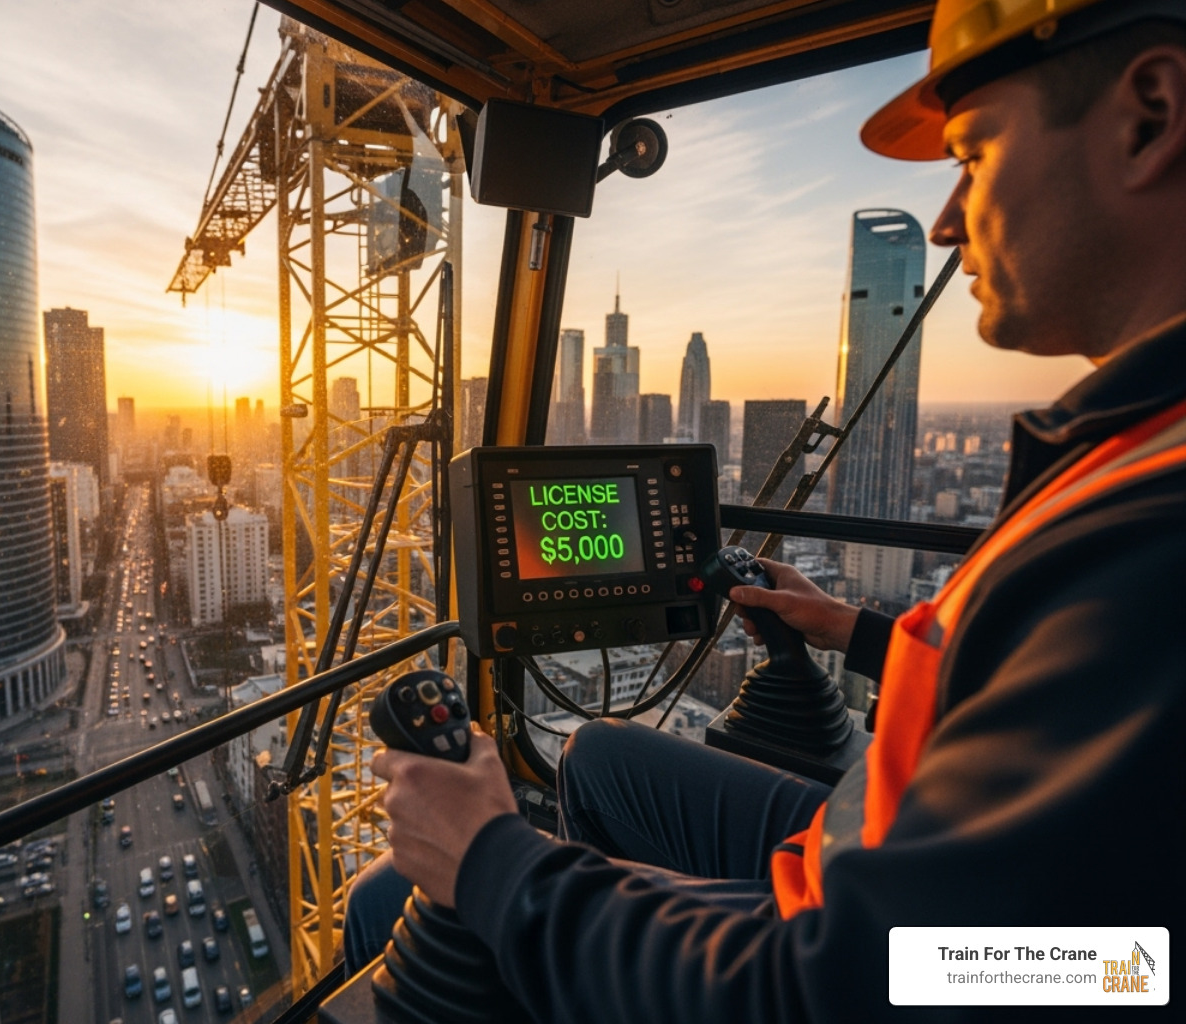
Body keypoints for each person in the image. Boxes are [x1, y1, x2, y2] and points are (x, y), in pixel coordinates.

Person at [352, 0, 1186, 1019]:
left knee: (400, 894)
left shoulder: (1152, 529)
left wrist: (492, 865)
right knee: (600, 750)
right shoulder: (1135, 452)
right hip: (952, 892)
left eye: (974, 153)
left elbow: (880, 984)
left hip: (906, 942)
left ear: (1150, 114)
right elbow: (1071, 739)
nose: (945, 218)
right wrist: (859, 633)